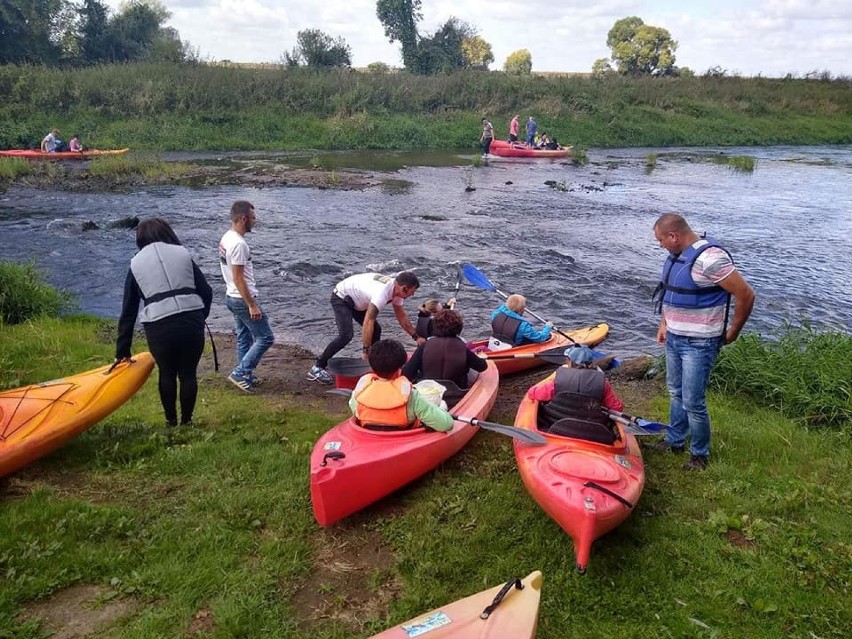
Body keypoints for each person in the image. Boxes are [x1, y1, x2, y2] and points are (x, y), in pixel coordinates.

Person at [652, 213, 755, 470]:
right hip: (675, 337)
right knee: (675, 392)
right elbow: (671, 293)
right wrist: (664, 324)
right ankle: (675, 440)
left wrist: (734, 331)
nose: (660, 244)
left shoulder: (710, 259)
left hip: (699, 343)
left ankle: (699, 454)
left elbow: (745, 295)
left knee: (693, 401)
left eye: (661, 239)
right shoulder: (677, 255)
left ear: (673, 236)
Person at [115, 218, 212, 427]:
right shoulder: (183, 253)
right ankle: (187, 422)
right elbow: (207, 291)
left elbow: (129, 310)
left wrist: (123, 349)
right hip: (191, 320)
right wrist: (199, 318)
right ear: (166, 232)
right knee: (188, 373)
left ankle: (171, 422)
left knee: (166, 373)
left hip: (158, 325)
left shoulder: (136, 263)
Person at [309, 271, 424, 384]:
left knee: (376, 330)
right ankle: (318, 367)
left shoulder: (397, 291)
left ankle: (373, 364)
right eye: (412, 291)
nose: (412, 295)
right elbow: (368, 322)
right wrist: (366, 351)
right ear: (404, 288)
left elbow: (402, 318)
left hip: (357, 300)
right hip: (342, 297)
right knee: (346, 335)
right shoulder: (382, 293)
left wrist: (416, 336)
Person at [219, 200, 274, 393]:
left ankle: (246, 375)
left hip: (232, 296)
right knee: (266, 337)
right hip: (241, 298)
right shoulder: (239, 244)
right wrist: (252, 304)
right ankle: (241, 372)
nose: (255, 221)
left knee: (244, 337)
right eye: (253, 218)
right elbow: (238, 277)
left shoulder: (227, 237)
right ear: (243, 219)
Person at [349, 339, 454, 432]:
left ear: (372, 368)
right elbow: (446, 425)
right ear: (399, 370)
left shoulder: (359, 393)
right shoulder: (411, 396)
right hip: (401, 434)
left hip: (369, 432)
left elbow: (354, 409)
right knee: (442, 404)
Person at [529, 345, 624, 442]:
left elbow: (533, 393)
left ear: (569, 362)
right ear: (590, 364)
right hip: (591, 432)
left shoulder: (557, 381)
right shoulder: (603, 383)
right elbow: (617, 407)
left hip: (558, 427)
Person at [403, 309, 488, 392]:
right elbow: (482, 367)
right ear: (459, 328)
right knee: (472, 370)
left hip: (428, 392)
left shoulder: (424, 347)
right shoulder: (462, 348)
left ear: (434, 327)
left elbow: (407, 373)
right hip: (456, 392)